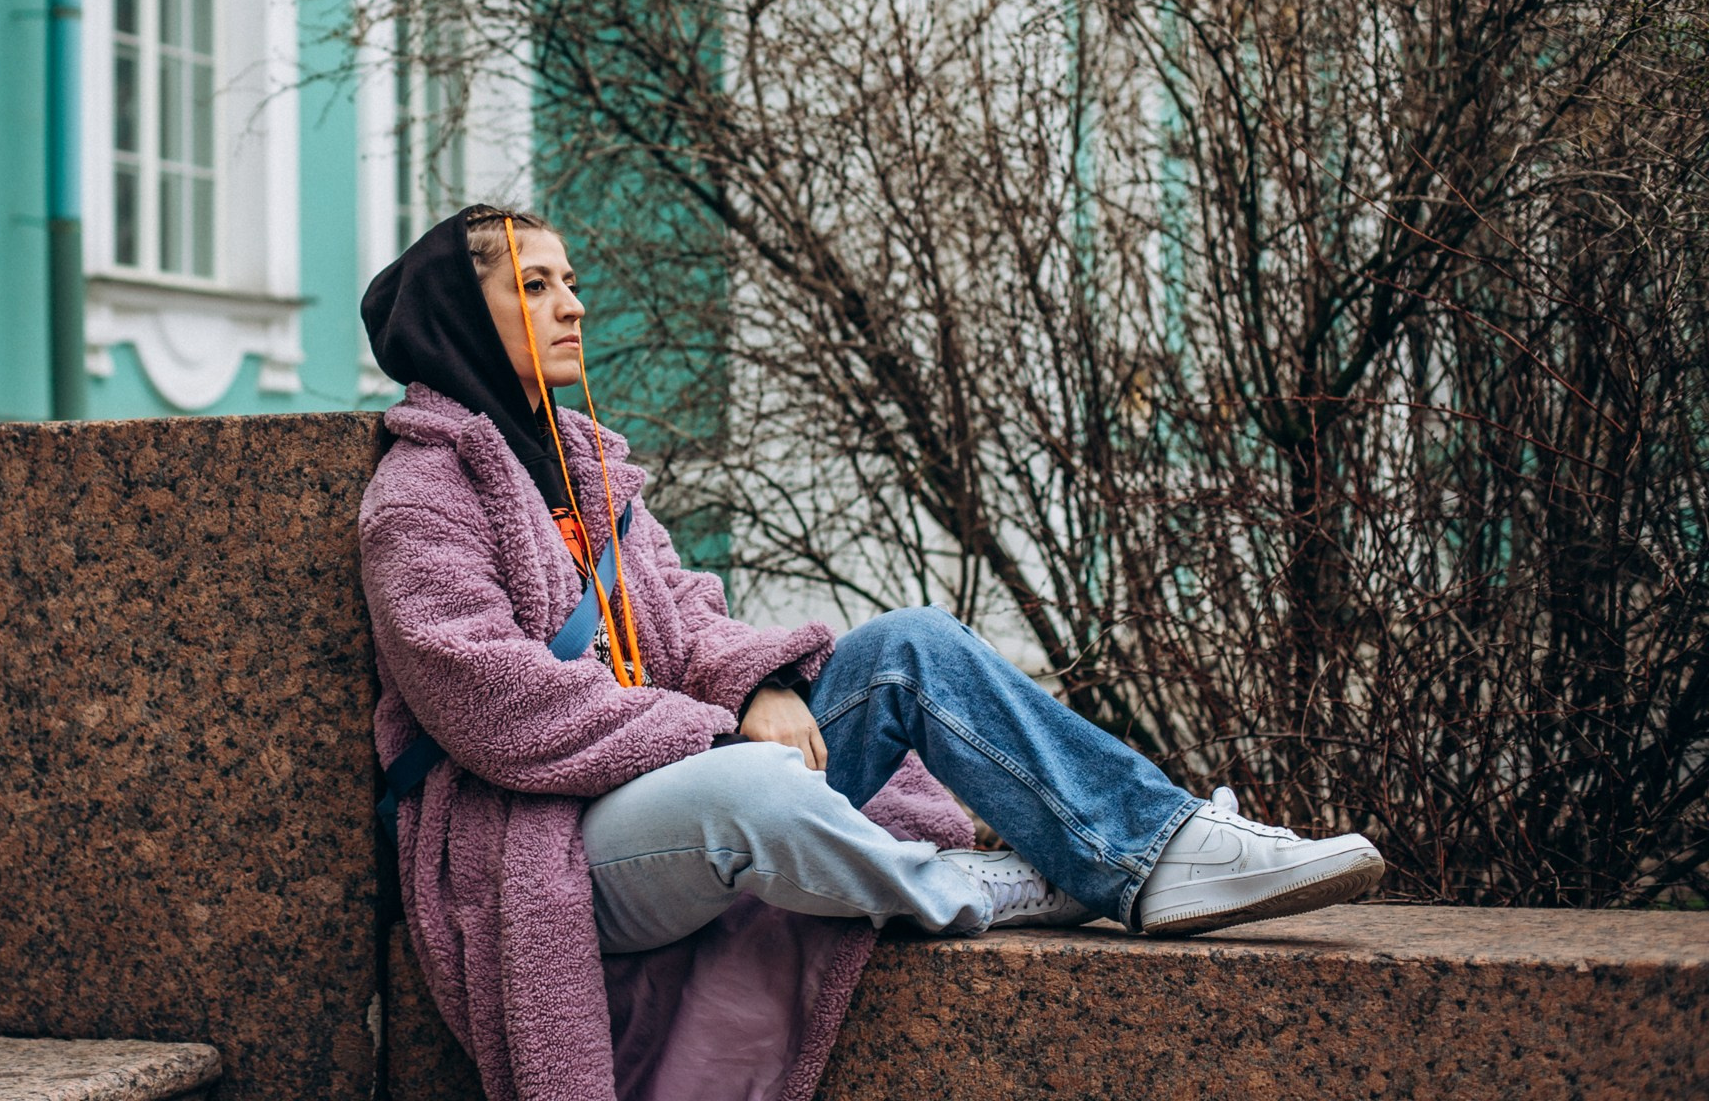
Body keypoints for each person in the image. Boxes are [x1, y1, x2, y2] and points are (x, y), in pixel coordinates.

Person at [359, 205, 1385, 1101]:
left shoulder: (592, 477)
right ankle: (966, 885)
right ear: (461, 318)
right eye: (535, 285)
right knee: (756, 786)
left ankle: (1156, 850)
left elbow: (694, 610)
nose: (573, 304)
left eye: (572, 281)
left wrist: (759, 679)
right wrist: (718, 726)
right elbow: (493, 702)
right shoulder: (420, 496)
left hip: (678, 771)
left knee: (910, 646)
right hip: (553, 844)